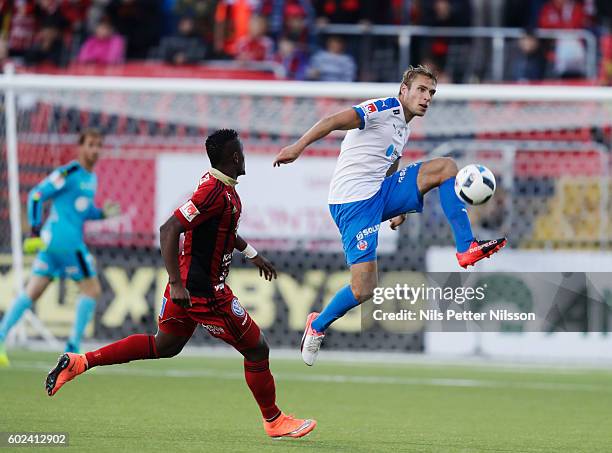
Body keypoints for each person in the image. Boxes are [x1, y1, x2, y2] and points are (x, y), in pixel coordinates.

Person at [44, 129, 317, 440]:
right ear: (235, 157)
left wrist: (251, 254)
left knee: (165, 345)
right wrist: (175, 282)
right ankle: (274, 420)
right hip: (204, 293)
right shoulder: (212, 192)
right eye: (240, 151)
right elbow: (169, 229)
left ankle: (80, 362)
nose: (244, 156)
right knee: (257, 349)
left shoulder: (219, 187)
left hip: (187, 288)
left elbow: (221, 228)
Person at [273, 65, 507, 366]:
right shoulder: (384, 108)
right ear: (403, 90)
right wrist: (297, 147)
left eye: (431, 93)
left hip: (378, 193)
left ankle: (466, 247)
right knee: (363, 288)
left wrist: (400, 208)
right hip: (352, 204)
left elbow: (391, 164)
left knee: (447, 167)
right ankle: (317, 325)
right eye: (421, 90)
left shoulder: (404, 127)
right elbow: (332, 120)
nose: (427, 98)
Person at [0, 129, 120, 366]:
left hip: (52, 243)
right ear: (80, 147)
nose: (95, 150)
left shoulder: (90, 178)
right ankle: (72, 350)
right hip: (67, 242)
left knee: (33, 291)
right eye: (91, 145)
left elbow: (82, 212)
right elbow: (36, 195)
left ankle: (1, 336)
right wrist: (33, 230)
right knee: (92, 290)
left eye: (98, 146)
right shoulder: (70, 172)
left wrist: (102, 213)